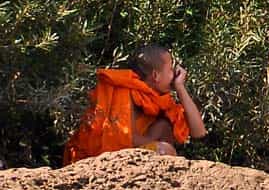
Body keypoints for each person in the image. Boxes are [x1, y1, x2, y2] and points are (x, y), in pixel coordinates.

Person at [63, 44, 207, 164]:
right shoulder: (124, 91)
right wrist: (155, 143)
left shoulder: (159, 99)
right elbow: (122, 137)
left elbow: (199, 132)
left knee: (164, 127)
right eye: (170, 68)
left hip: (127, 155)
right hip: (97, 160)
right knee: (164, 150)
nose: (175, 72)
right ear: (155, 75)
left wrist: (180, 87)